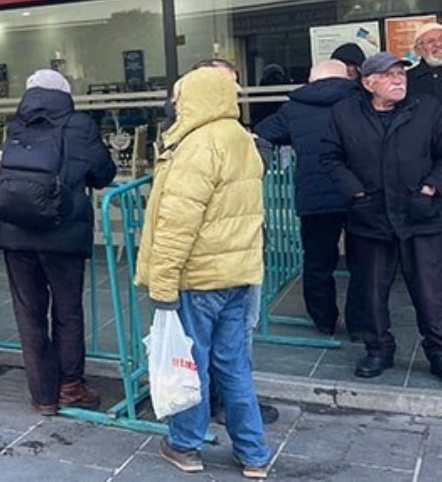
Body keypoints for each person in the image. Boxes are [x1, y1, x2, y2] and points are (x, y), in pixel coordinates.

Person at [136, 68, 271, 477]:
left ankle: (185, 446)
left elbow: (178, 224)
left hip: (198, 278)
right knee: (234, 366)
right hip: (238, 274)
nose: (175, 104)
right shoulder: (242, 139)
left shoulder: (197, 145)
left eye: (179, 96)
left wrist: (163, 284)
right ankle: (253, 454)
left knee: (190, 364)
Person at [0, 71, 116, 415]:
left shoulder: (16, 126)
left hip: (16, 233)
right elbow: (103, 173)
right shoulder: (80, 125)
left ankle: (43, 395)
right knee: (67, 311)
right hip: (63, 234)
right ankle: (70, 386)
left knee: (28, 314)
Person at [322, 51, 442, 381]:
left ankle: (438, 351)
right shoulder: (345, 113)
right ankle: (378, 350)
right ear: (368, 83)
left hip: (420, 215)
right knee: (372, 291)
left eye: (401, 74)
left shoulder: (428, 108)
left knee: (430, 291)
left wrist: (430, 188)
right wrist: (357, 194)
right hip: (370, 216)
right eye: (389, 75)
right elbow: (331, 157)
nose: (398, 80)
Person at [254, 59, 364, 338]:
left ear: (311, 79)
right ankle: (360, 323)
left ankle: (324, 320)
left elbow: (264, 132)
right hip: (360, 192)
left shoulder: (295, 108)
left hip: (315, 195)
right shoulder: (362, 101)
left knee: (317, 262)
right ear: (347, 77)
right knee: (364, 262)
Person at [408, 22, 442, 103]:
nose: (438, 44)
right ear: (418, 50)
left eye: (441, 39)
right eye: (430, 41)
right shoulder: (407, 79)